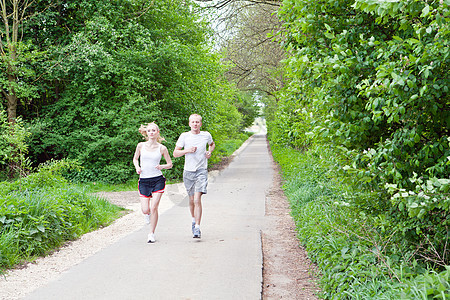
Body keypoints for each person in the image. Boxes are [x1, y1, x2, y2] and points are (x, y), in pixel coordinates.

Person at [173, 114, 215, 239]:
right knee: (191, 200)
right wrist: (187, 150)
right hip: (188, 172)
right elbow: (175, 153)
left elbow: (212, 144)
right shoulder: (184, 136)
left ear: (200, 124)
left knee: (197, 199)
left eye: (197, 122)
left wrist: (209, 152)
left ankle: (197, 227)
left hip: (201, 170)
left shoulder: (206, 135)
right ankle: (193, 220)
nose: (195, 124)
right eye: (193, 122)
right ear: (189, 123)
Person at [133, 122, 173, 243]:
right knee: (146, 209)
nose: (151, 132)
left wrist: (162, 166)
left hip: (157, 180)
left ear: (157, 133)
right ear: (146, 133)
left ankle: (151, 233)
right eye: (149, 130)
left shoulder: (162, 148)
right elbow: (135, 159)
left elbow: (170, 164)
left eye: (153, 131)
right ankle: (147, 214)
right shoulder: (141, 146)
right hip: (144, 180)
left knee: (154, 207)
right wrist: (137, 167)